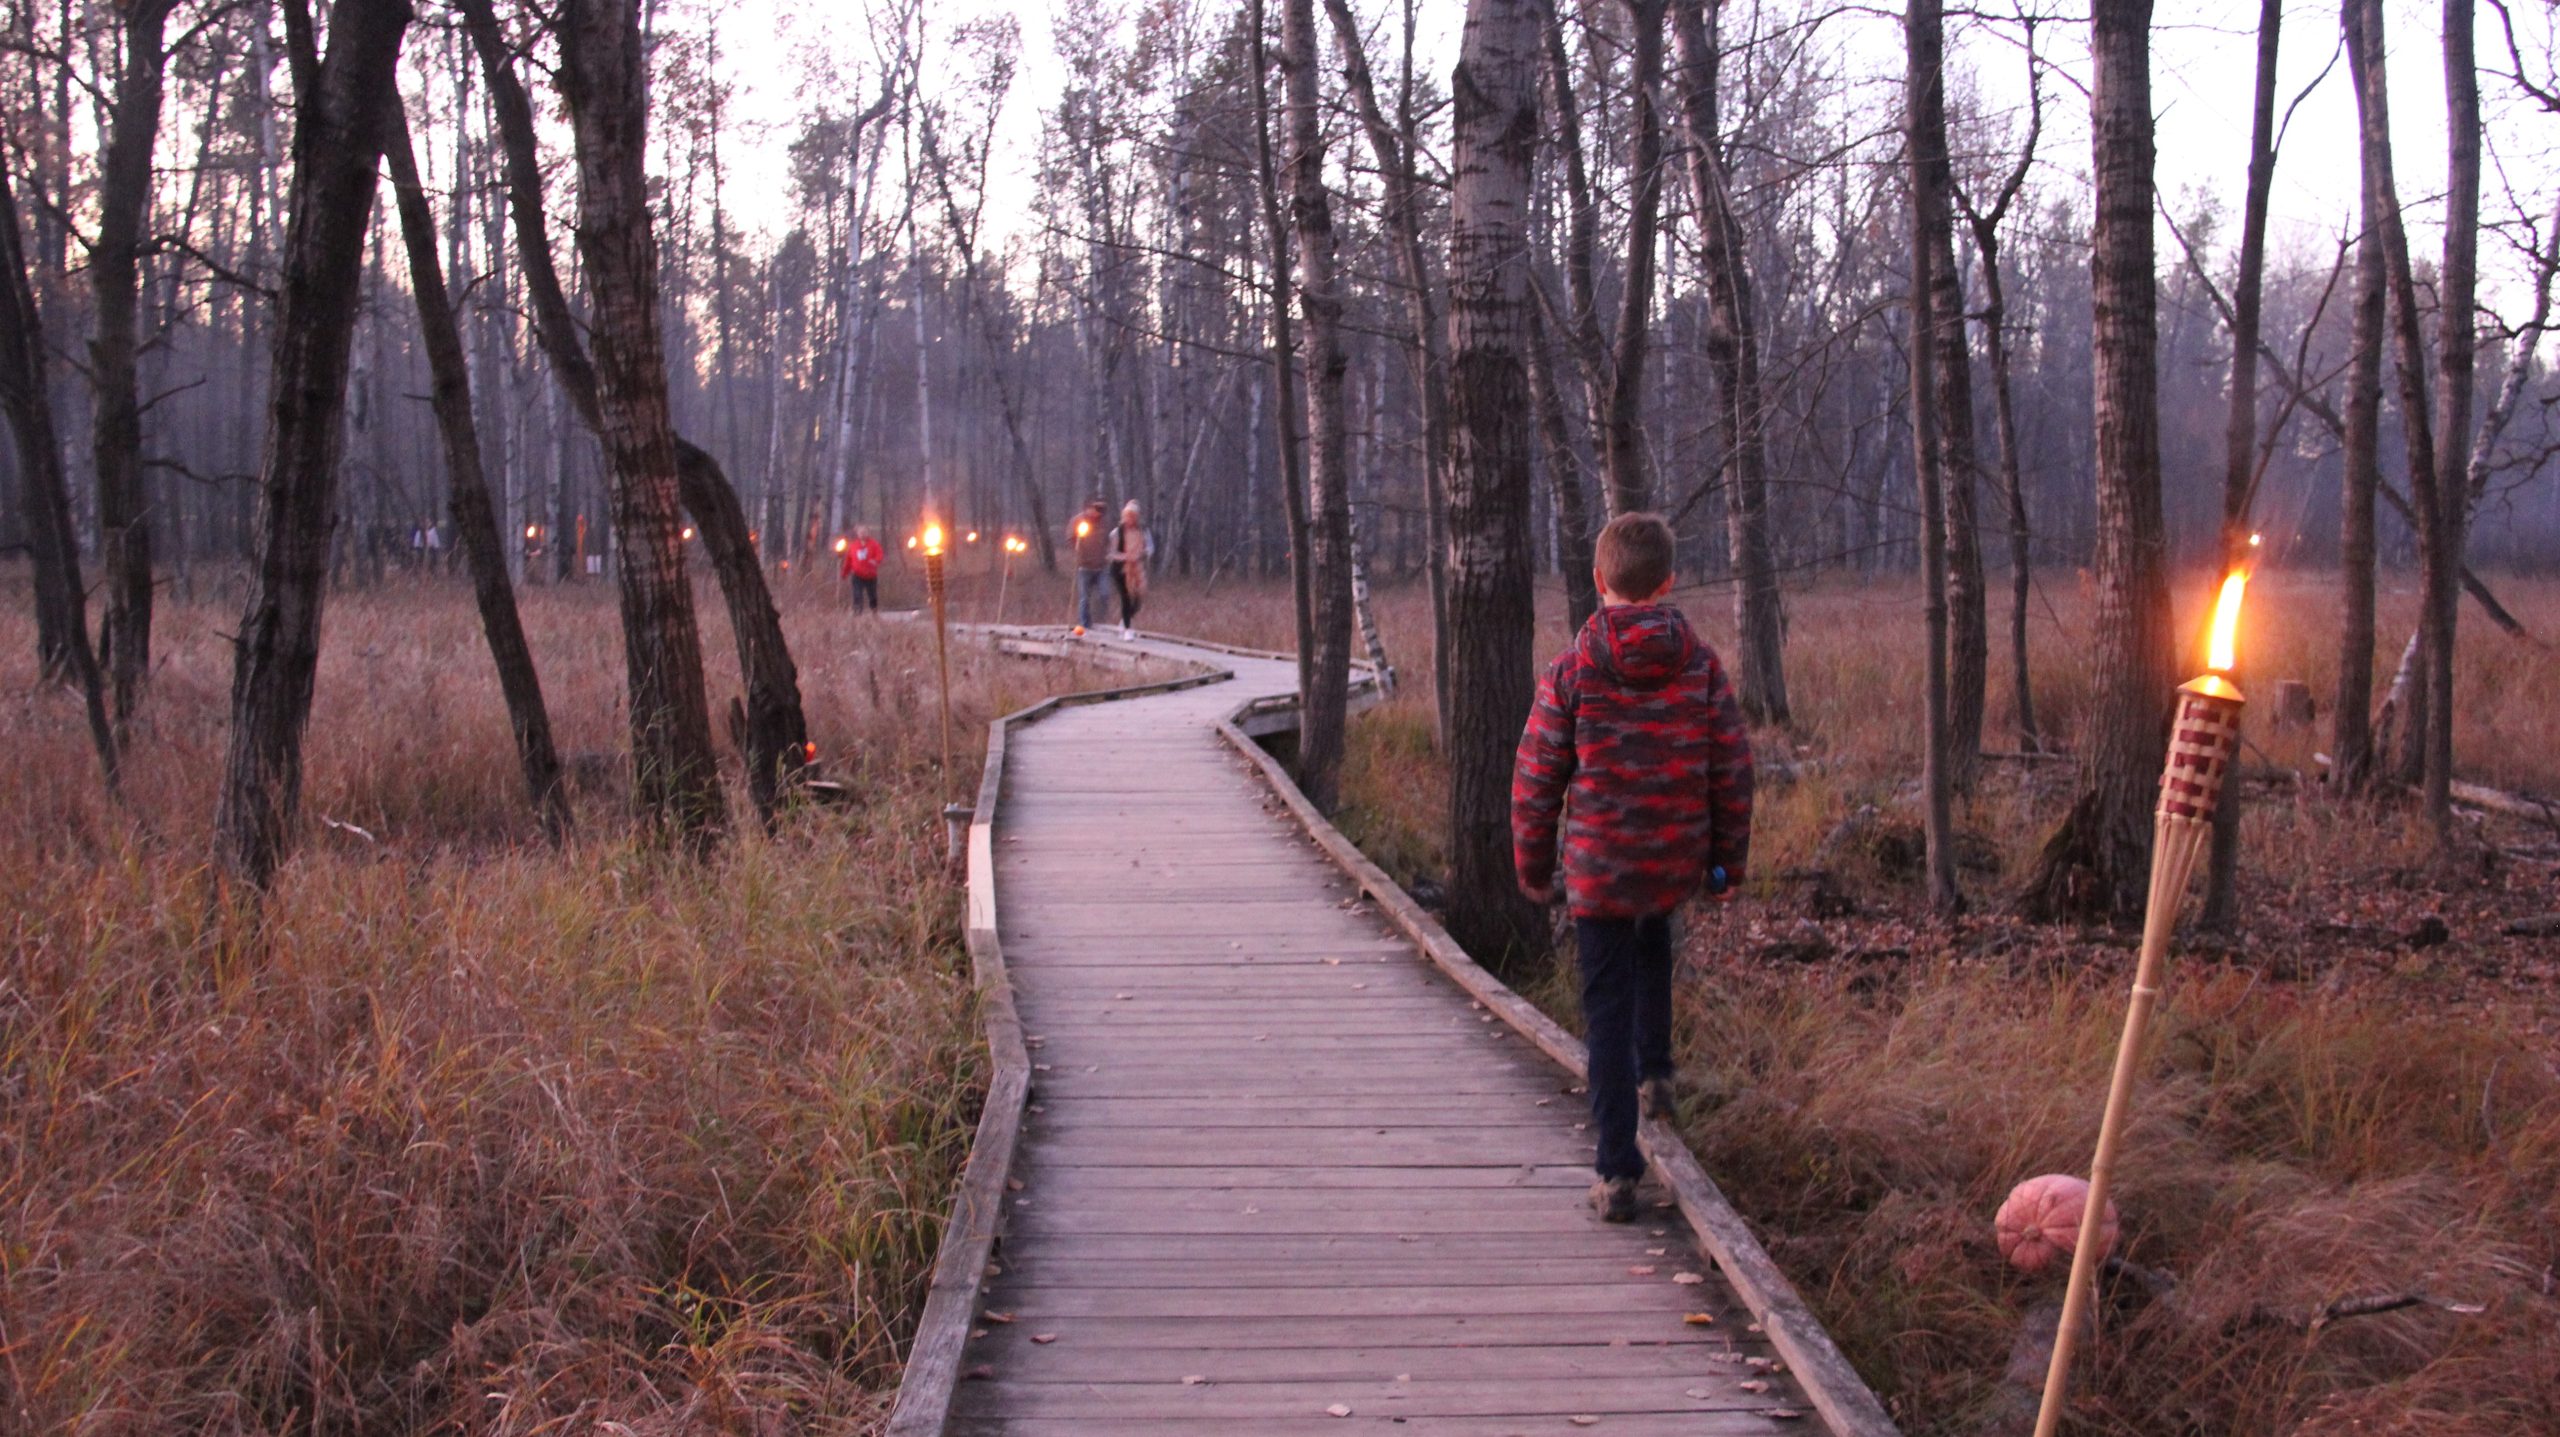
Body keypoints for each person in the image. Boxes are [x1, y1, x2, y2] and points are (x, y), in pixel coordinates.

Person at [1511, 512, 1753, 1224]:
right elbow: (1732, 771)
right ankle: (1658, 1075)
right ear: (1669, 583)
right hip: (1671, 858)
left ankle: (1618, 1172)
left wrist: (1532, 866)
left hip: (1599, 868)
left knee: (1605, 1009)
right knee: (1655, 948)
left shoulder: (1572, 669)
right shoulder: (1701, 665)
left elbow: (1536, 777)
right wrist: (1724, 862)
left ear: (1598, 581)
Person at [1108, 500, 1152, 639]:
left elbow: (1150, 548)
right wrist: (1125, 557)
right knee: (1125, 597)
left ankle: (1125, 618)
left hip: (1137, 568)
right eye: (1128, 516)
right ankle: (1128, 629)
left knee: (1139, 597)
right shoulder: (1117, 533)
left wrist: (1142, 554)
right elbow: (1111, 553)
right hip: (1120, 569)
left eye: (1133, 516)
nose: (1130, 519)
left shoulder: (1143, 531)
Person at [1069, 498, 1110, 634]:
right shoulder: (1078, 521)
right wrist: (1076, 543)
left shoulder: (1104, 523)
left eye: (1102, 511)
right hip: (1084, 566)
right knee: (1084, 597)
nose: (1099, 513)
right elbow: (1070, 538)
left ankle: (1099, 620)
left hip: (1101, 566)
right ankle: (1084, 624)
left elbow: (1108, 540)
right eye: (1097, 509)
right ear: (1089, 508)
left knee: (1104, 594)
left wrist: (1108, 553)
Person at [841, 525, 884, 612]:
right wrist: (844, 573)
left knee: (872, 596)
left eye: (864, 532)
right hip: (857, 575)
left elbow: (880, 554)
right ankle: (857, 613)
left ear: (868, 533)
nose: (862, 534)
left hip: (870, 575)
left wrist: (876, 561)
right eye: (860, 532)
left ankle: (874, 612)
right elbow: (848, 561)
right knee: (857, 595)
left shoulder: (874, 544)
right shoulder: (853, 546)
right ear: (857, 534)